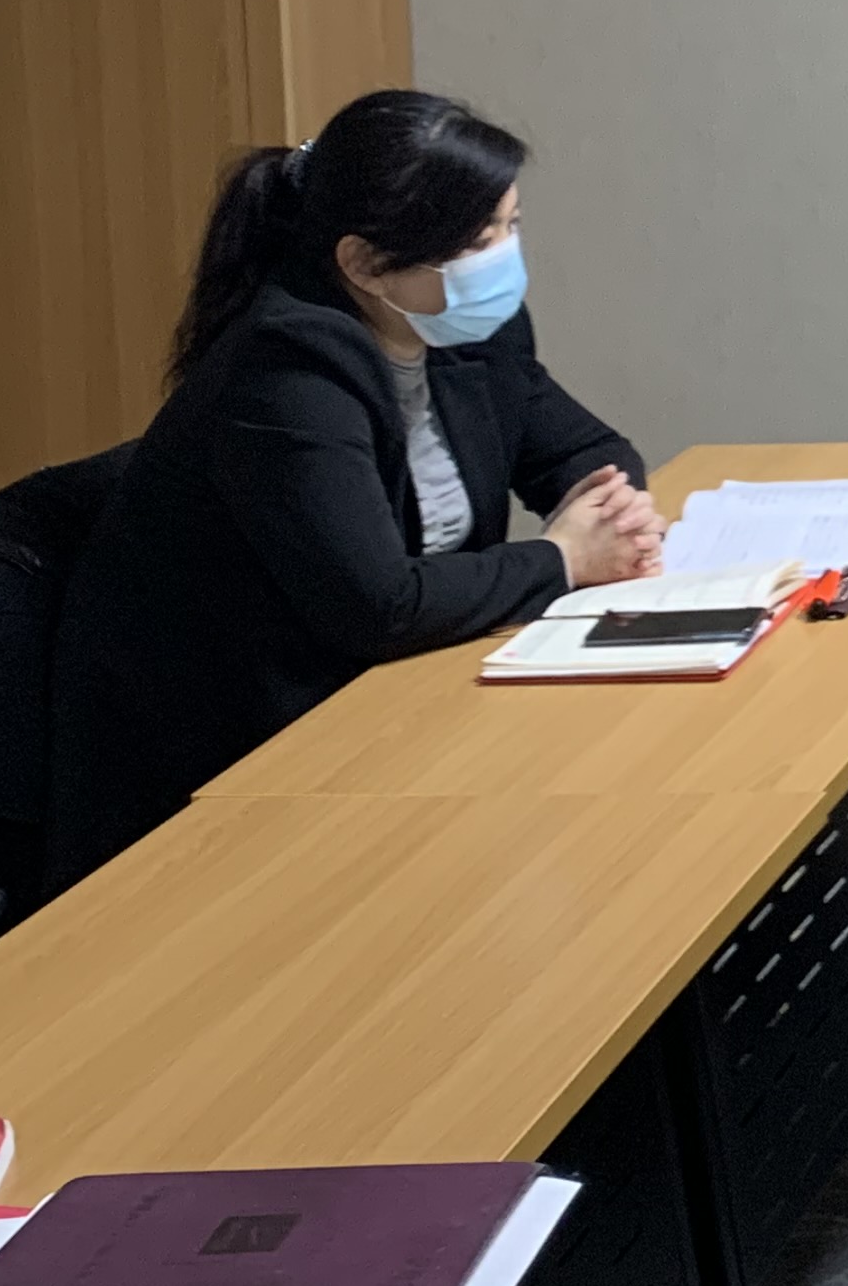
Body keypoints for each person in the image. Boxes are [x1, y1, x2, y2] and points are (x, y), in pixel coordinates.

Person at [47, 88, 662, 881]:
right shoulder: (287, 374)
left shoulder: (467, 329)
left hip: (399, 707)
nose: (502, 258)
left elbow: (588, 449)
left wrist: (611, 514)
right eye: (477, 239)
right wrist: (565, 558)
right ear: (364, 263)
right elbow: (379, 604)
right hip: (240, 769)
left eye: (510, 226)